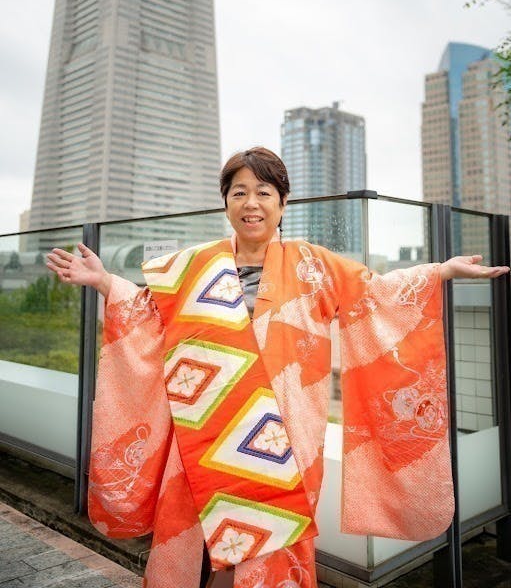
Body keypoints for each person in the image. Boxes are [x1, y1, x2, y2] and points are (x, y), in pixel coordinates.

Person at [47, 147, 509, 588]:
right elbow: (149, 314)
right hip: (204, 429)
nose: (251, 203)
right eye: (239, 192)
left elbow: (374, 293)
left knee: (274, 543)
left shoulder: (313, 265)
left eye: (264, 192)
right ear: (226, 203)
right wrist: (105, 282)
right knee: (195, 540)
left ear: (283, 203)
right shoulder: (193, 265)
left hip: (284, 437)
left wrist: (441, 272)